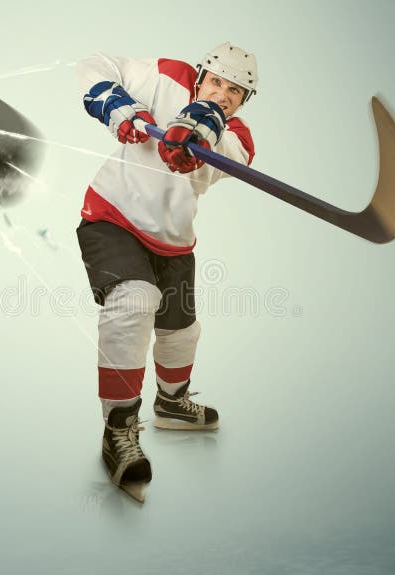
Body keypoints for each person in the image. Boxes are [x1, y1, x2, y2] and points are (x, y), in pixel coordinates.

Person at [76, 42, 257, 500]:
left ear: (243, 101)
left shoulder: (238, 140)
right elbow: (95, 62)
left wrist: (199, 134)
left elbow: (214, 156)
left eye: (235, 91)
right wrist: (115, 102)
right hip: (111, 217)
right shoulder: (167, 77)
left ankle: (172, 405)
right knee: (133, 303)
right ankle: (118, 429)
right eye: (217, 81)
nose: (224, 94)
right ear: (201, 75)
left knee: (182, 331)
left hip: (174, 242)